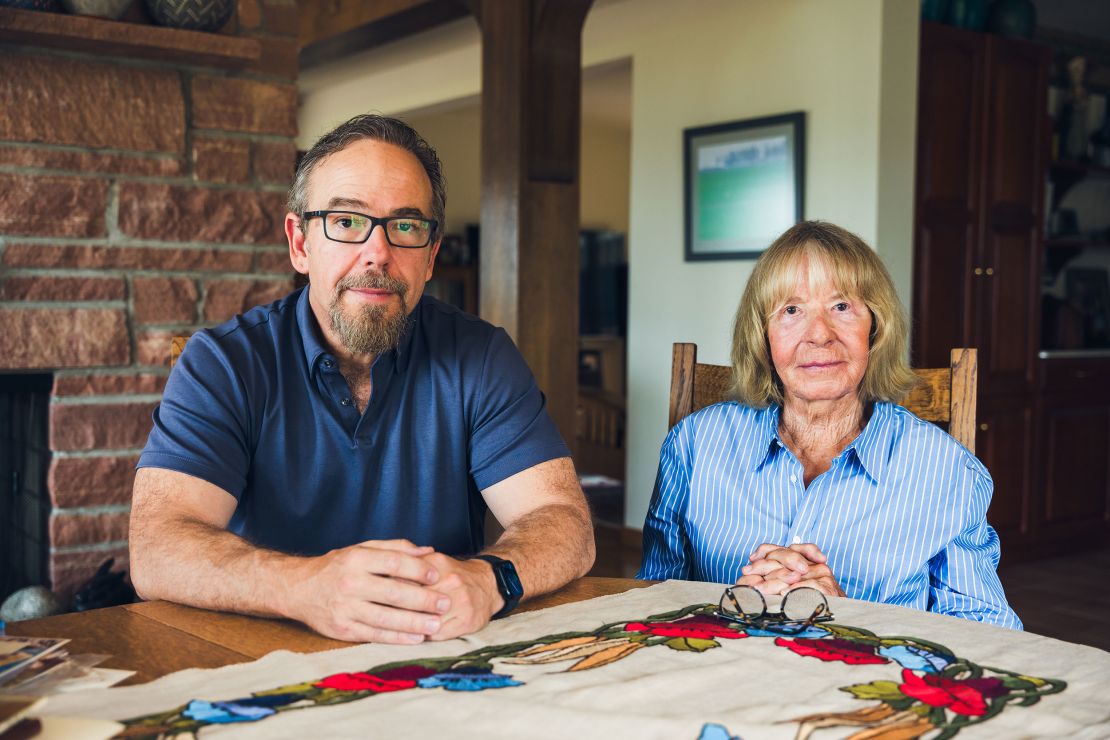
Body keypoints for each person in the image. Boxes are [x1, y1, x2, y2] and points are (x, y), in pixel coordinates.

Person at [129, 114, 595, 645]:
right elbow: (157, 547)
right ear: (299, 243)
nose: (378, 252)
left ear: (431, 256)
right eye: (346, 222)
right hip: (261, 656)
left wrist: (491, 580)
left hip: (438, 651)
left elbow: (564, 522)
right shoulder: (223, 363)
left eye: (405, 226)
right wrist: (305, 587)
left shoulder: (482, 356)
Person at [639, 221, 1021, 629]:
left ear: (875, 327)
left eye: (841, 307)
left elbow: (988, 630)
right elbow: (652, 600)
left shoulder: (945, 468)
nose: (819, 335)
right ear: (763, 336)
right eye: (791, 310)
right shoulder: (695, 444)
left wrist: (847, 617)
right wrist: (735, 609)